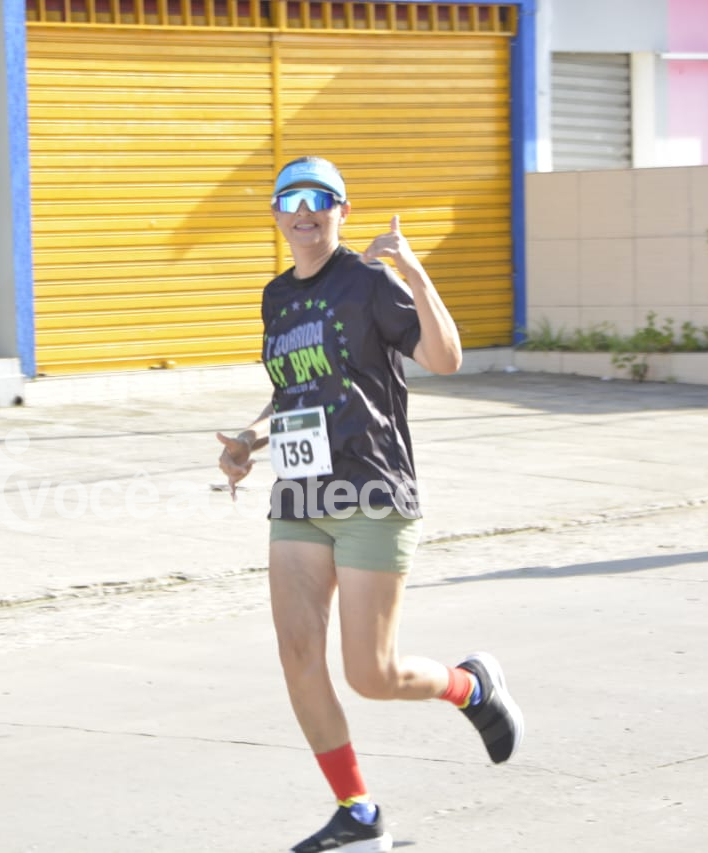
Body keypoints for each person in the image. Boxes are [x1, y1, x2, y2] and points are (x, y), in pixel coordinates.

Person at [216, 157, 523, 852]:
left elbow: (445, 359)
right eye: (290, 199)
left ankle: (471, 686)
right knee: (298, 654)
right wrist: (249, 440)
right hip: (300, 494)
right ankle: (358, 813)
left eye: (319, 198)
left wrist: (415, 272)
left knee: (371, 674)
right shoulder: (276, 296)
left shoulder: (369, 282)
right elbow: (293, 390)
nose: (304, 211)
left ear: (341, 211)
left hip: (372, 491)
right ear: (275, 214)